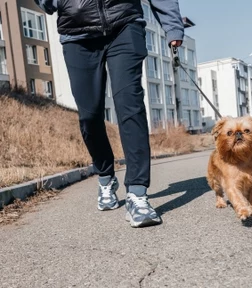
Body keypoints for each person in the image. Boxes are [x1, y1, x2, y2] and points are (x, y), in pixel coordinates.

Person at [34, 0, 185, 228]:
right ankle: (106, 176)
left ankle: (137, 194)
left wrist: (172, 26)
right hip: (77, 34)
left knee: (130, 106)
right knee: (89, 115)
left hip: (124, 24)